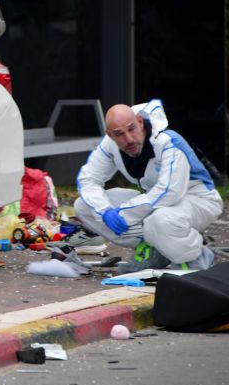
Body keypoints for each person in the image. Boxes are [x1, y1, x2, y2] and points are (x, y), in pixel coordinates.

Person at [75, 99, 220, 272]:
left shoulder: (167, 141)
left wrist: (124, 214)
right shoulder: (110, 145)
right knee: (84, 206)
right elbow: (87, 179)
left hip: (198, 199)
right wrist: (105, 210)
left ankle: (196, 256)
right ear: (110, 135)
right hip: (156, 203)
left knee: (159, 221)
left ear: (140, 122)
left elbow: (170, 192)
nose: (128, 139)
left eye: (131, 129)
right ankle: (155, 250)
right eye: (119, 134)